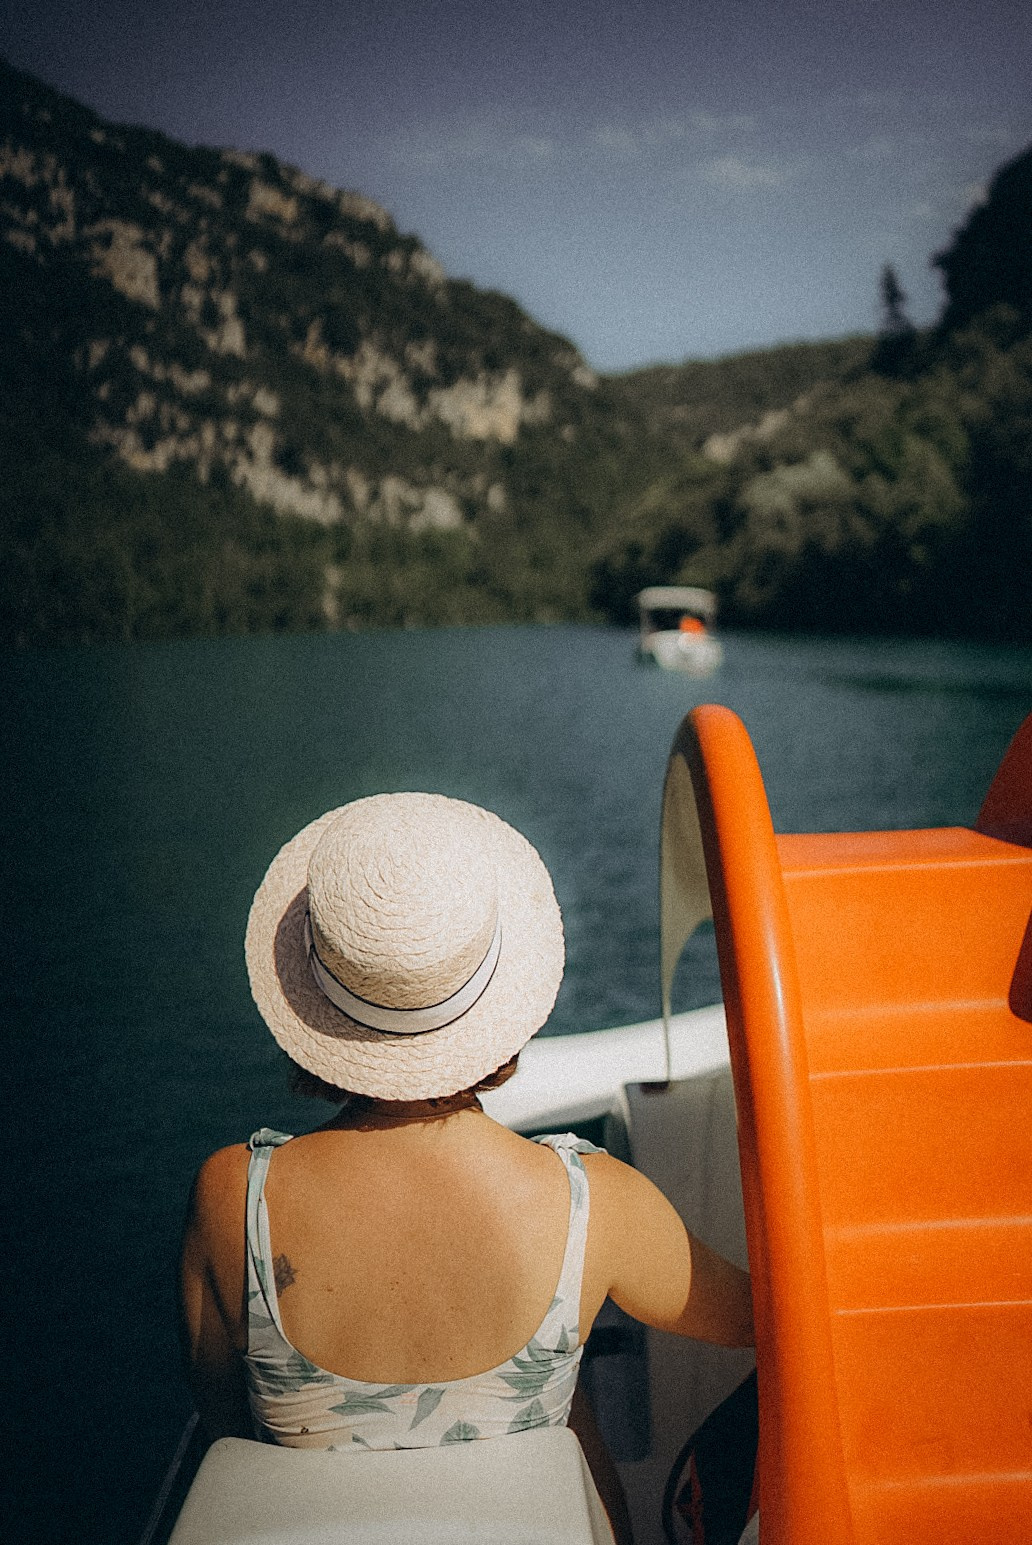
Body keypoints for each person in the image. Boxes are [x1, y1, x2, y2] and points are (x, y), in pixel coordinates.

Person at [180, 793, 754, 1542]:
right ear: (498, 1007)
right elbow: (768, 1320)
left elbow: (227, 1417)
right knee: (573, 1411)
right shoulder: (593, 1204)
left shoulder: (232, 1197)